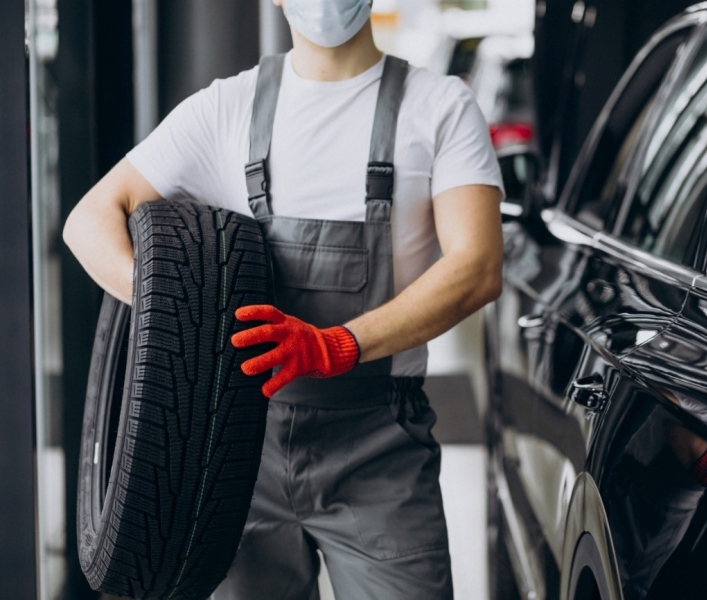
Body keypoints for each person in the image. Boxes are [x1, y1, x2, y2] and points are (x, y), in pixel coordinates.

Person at [62, 0, 504, 597]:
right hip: (239, 453)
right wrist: (177, 319)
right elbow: (89, 222)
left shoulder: (441, 107)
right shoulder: (227, 107)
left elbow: (476, 266)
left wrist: (338, 345)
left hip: (380, 449)